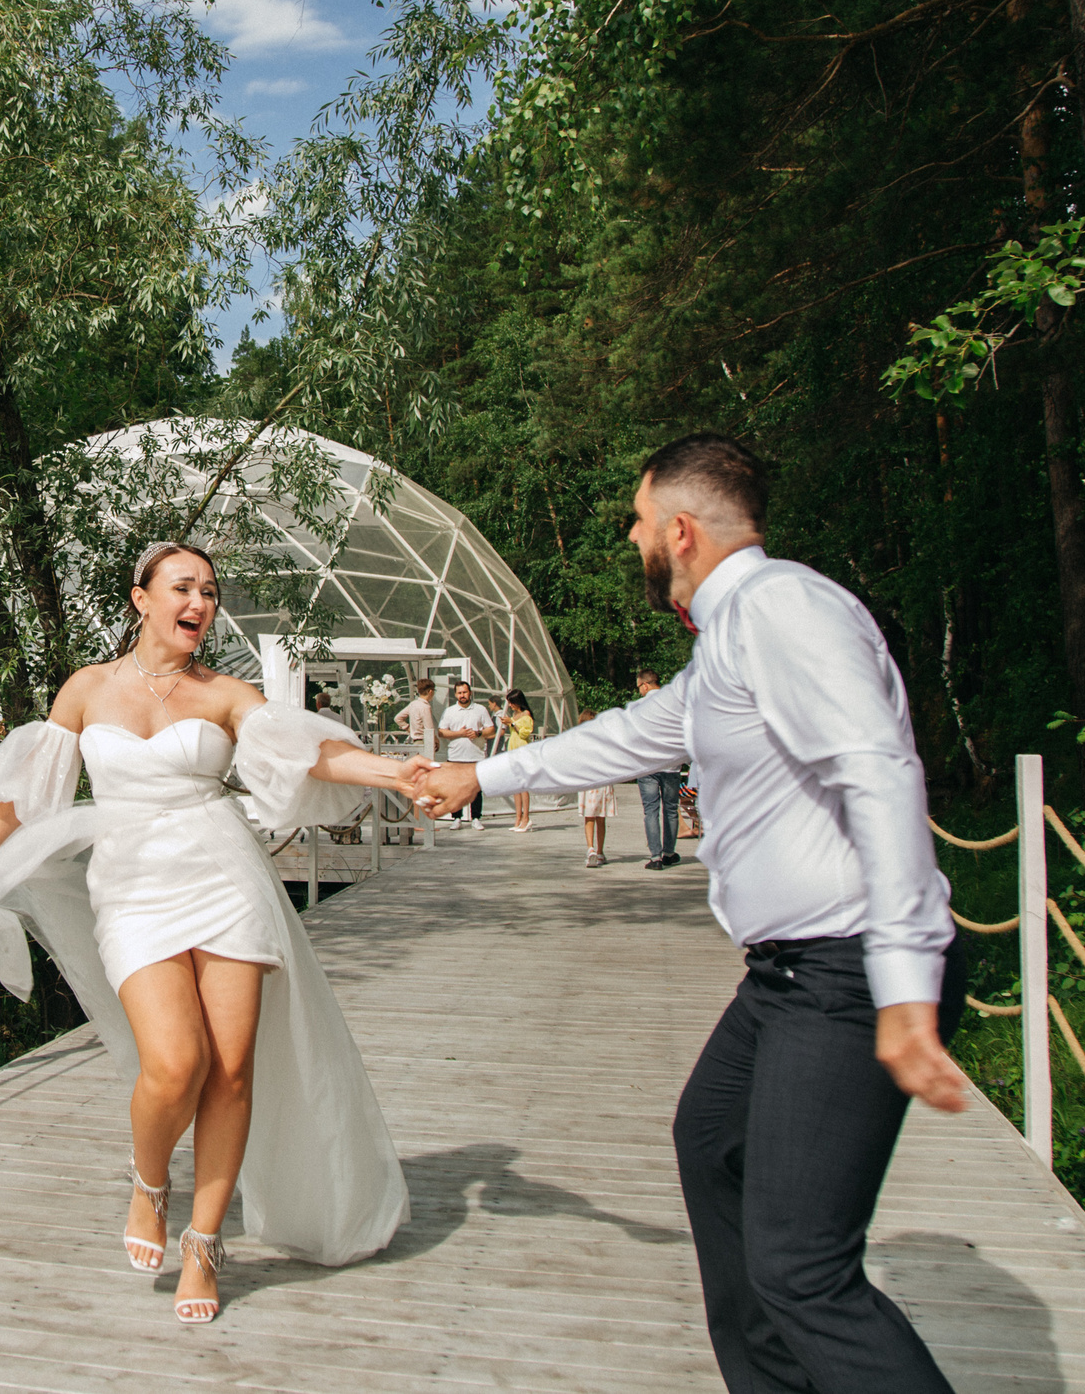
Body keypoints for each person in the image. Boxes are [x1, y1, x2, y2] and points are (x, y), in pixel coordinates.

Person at [414, 434, 968, 1394]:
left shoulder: (782, 608)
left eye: (636, 519)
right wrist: (478, 773)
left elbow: (876, 772)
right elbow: (630, 735)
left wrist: (907, 984)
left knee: (805, 1269)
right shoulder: (729, 641)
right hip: (788, 974)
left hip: (847, 968)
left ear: (679, 528)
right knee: (711, 1141)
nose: (631, 536)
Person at [0, 541, 417, 1325]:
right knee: (176, 1063)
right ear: (141, 598)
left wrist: (398, 771)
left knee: (232, 1070)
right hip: (132, 884)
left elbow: (313, 750)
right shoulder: (86, 689)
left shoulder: (227, 693)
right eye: (183, 586)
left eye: (208, 590)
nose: (199, 601)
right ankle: (148, 1183)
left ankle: (205, 1244)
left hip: (225, 873)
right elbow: (28, 796)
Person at [631, 670, 685, 870]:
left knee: (651, 810)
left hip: (648, 764)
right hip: (671, 764)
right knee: (671, 809)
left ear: (645, 685)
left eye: (639, 687)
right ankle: (669, 853)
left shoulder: (639, 706)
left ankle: (655, 857)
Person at [435, 680, 493, 825]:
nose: (462, 695)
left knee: (475, 788)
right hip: (456, 756)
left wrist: (478, 733)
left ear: (470, 693)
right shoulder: (450, 711)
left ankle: (476, 818)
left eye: (465, 692)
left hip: (476, 755)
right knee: (455, 788)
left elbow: (491, 730)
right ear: (455, 694)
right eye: (459, 693)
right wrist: (459, 733)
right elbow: (442, 732)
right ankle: (457, 818)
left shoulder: (480, 709)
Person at [576, 709, 613, 866]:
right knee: (601, 818)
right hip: (603, 782)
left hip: (588, 782)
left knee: (589, 817)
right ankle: (600, 851)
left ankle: (590, 847)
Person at [500, 689, 536, 832]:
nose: (510, 705)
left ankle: (526, 818)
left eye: (512, 702)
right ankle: (518, 817)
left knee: (523, 787)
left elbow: (525, 732)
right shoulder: (515, 715)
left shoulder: (526, 714)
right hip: (513, 748)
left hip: (522, 749)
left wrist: (513, 723)